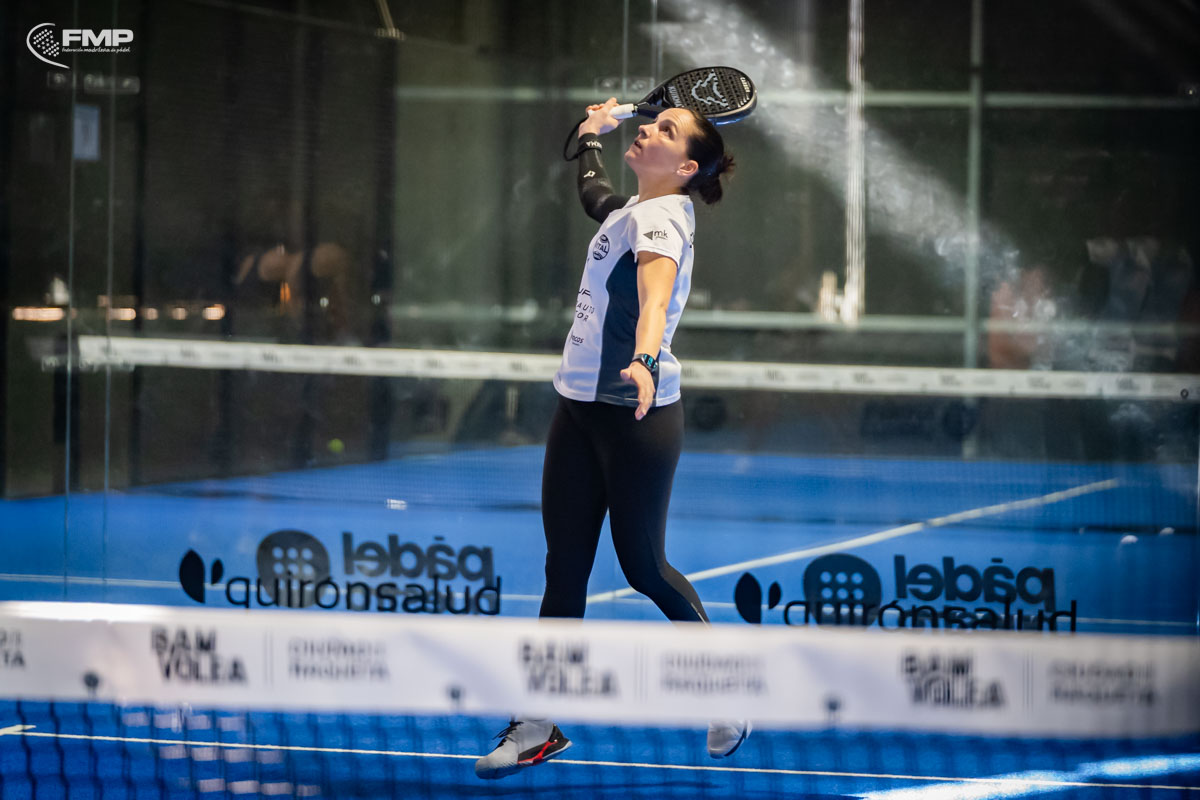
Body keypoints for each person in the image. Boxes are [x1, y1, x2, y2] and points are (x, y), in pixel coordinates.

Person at [475, 98, 748, 780]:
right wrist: (591, 137)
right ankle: (536, 725)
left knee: (643, 568)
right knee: (564, 569)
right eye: (653, 122)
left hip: (636, 416)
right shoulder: (632, 210)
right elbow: (594, 196)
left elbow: (654, 298)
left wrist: (646, 360)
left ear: (686, 168)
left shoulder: (662, 221)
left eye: (665, 130)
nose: (648, 129)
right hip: (577, 410)